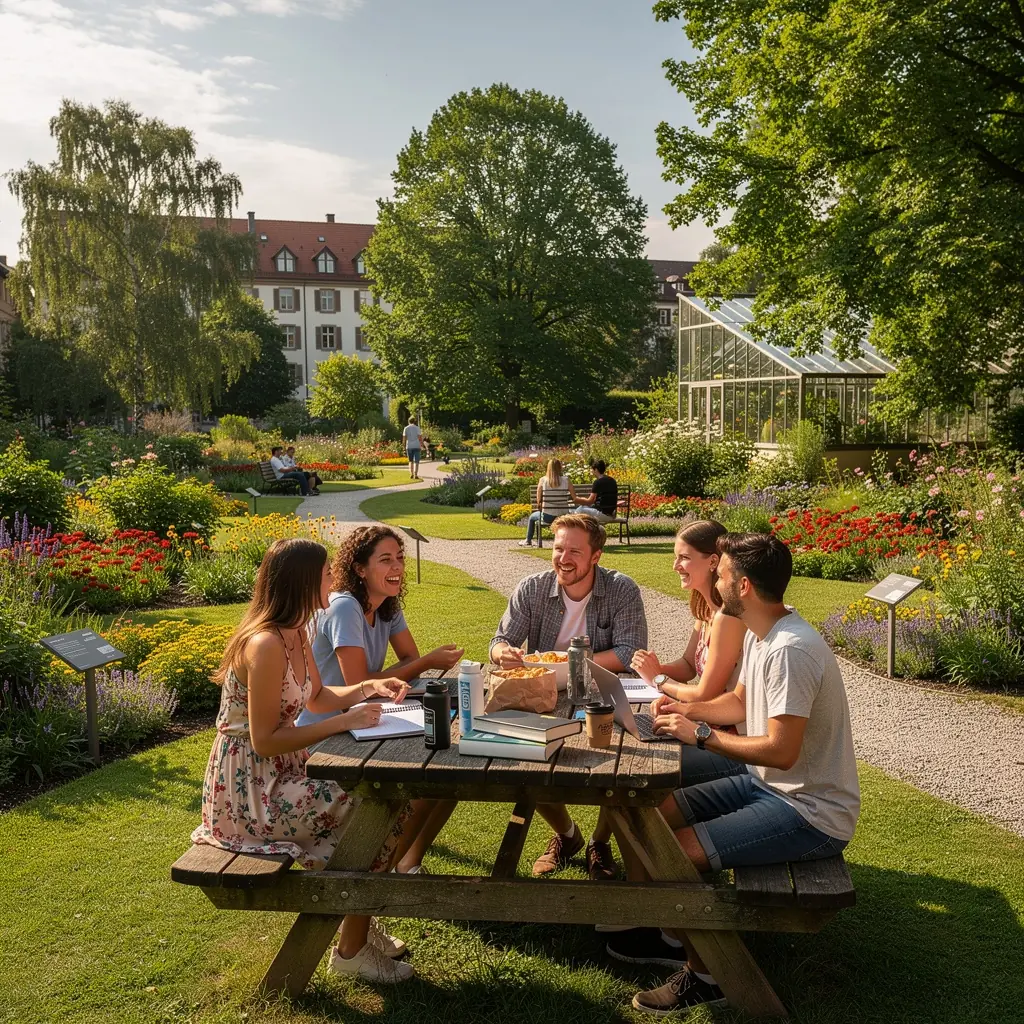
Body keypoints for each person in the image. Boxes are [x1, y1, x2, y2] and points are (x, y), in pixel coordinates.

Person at [624, 532, 861, 1015]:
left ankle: (706, 974)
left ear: (745, 585)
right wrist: (677, 708)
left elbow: (782, 750)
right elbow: (739, 702)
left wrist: (701, 735)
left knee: (681, 855)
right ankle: (672, 931)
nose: (717, 577)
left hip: (810, 812)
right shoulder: (764, 632)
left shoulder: (790, 650)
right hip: (764, 785)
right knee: (656, 812)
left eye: (724, 572)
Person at [191, 537, 415, 983]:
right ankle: (352, 946)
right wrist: (343, 721)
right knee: (378, 809)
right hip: (251, 791)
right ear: (302, 582)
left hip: (286, 773)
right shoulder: (265, 645)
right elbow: (267, 739)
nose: (334, 581)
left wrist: (372, 687)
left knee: (392, 804)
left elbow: (319, 695)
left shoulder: (302, 630)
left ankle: (358, 923)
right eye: (326, 574)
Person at [296, 525, 465, 874]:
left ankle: (402, 864)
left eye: (400, 559)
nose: (397, 568)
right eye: (386, 560)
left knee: (449, 779)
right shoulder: (344, 607)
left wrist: (404, 671)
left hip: (367, 720)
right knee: (421, 783)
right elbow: (359, 682)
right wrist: (426, 663)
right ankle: (380, 869)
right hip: (326, 735)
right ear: (360, 569)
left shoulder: (387, 604)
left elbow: (407, 661)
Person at [490, 513, 648, 878]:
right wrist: (504, 654)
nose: (563, 558)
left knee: (624, 765)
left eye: (574, 551)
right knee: (526, 758)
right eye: (558, 548)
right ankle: (567, 834)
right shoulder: (531, 588)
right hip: (542, 691)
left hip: (600, 691)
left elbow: (630, 651)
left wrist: (576, 661)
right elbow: (499, 642)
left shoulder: (622, 589)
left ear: (596, 556)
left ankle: (601, 841)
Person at [519, 458, 578, 547]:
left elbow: (539, 501)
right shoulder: (566, 480)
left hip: (548, 517)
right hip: (563, 516)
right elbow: (574, 497)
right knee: (537, 516)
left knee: (532, 517)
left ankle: (528, 540)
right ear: (560, 468)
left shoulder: (543, 480)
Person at [574, 459, 618, 523]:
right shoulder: (612, 480)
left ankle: (585, 531)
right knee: (582, 508)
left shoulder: (598, 482)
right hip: (611, 514)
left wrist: (577, 499)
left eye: (592, 469)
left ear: (596, 469)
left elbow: (590, 501)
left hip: (602, 514)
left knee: (579, 510)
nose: (592, 471)